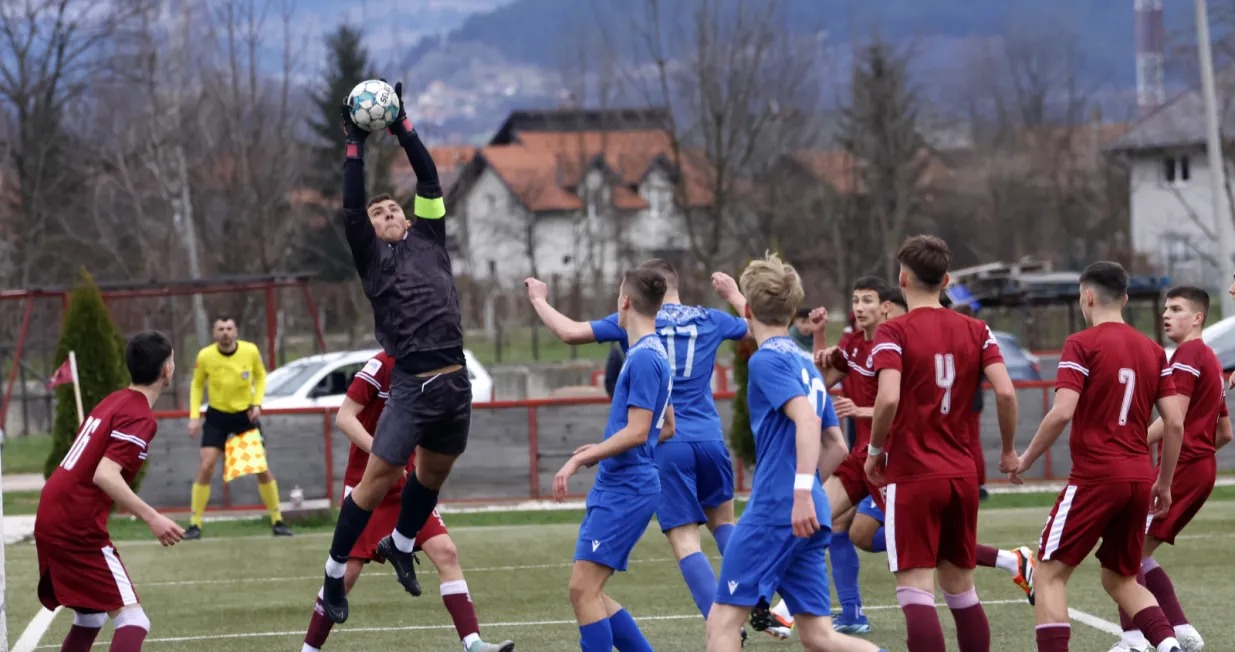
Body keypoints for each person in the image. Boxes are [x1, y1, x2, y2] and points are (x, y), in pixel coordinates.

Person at [526, 260, 749, 639]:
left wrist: (538, 298)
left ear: (627, 300)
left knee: (680, 542)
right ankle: (751, 593)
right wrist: (734, 296)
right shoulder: (706, 319)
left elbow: (568, 332)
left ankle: (720, 622)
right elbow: (762, 326)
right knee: (724, 524)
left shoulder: (642, 342)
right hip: (710, 438)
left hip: (646, 464)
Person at [320, 80, 471, 624]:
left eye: (391, 209)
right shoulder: (371, 258)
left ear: (408, 219)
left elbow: (428, 176)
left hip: (456, 380)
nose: (384, 213)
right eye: (378, 211)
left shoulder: (430, 235)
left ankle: (402, 545)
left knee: (430, 480)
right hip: (412, 381)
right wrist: (354, 143)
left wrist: (403, 124)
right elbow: (350, 202)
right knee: (377, 480)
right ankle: (335, 577)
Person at [705, 252, 886, 652]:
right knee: (819, 636)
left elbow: (805, 421)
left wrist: (798, 491)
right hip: (811, 513)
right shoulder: (804, 364)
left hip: (777, 509)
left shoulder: (767, 361)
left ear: (750, 311)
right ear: (791, 312)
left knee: (722, 623)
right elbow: (836, 445)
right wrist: (808, 494)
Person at [1010, 261, 1186, 652]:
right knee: (1120, 577)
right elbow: (1174, 424)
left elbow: (1062, 411)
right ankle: (1170, 645)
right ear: (1124, 299)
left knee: (1049, 573)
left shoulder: (1081, 343)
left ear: (1087, 296)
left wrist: (1025, 459)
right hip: (1139, 477)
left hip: (1096, 477)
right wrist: (1165, 483)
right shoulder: (1154, 350)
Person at [864, 235, 1020, 652]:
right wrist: (1007, 450)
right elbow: (1006, 393)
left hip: (914, 473)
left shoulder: (892, 331)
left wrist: (875, 452)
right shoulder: (977, 328)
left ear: (902, 279)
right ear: (946, 280)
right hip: (961, 474)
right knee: (961, 591)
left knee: (916, 591)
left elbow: (890, 397)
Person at [302, 351, 514, 652]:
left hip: (407, 484)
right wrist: (385, 453)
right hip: (368, 485)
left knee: (446, 553)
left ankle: (473, 643)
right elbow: (344, 417)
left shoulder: (434, 367)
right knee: (345, 576)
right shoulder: (380, 365)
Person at [758, 276, 900, 638]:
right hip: (859, 458)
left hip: (893, 460)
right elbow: (818, 382)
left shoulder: (898, 342)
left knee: (906, 543)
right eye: (855, 300)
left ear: (885, 306)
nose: (859, 307)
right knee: (822, 519)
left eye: (867, 300)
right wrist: (820, 337)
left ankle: (1010, 560)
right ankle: (816, 612)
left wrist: (863, 410)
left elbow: (905, 406)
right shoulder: (852, 343)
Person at [35, 331, 184, 652]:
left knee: (91, 616)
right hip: (75, 524)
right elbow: (105, 474)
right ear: (166, 370)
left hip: (51, 512)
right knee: (134, 620)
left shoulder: (113, 400)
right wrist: (152, 517)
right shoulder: (140, 416)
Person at [551, 267, 672, 652]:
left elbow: (640, 431)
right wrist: (603, 446)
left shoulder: (643, 359)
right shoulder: (650, 353)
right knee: (592, 592)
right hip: (622, 481)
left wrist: (582, 459)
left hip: (627, 485)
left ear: (625, 301)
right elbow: (664, 426)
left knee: (582, 590)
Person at [1107, 286, 1231, 652]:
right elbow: (1225, 432)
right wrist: (1199, 455)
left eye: (1176, 308)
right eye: (1164, 308)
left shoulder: (1188, 355)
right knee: (1138, 551)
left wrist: (1132, 443)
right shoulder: (1208, 356)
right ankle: (1180, 628)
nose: (1166, 314)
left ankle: (1134, 640)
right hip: (1200, 468)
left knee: (1124, 554)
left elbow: (1172, 419)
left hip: (1185, 468)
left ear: (1198, 318)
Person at [186, 315, 291, 539]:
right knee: (207, 466)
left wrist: (257, 403)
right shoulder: (205, 356)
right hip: (216, 416)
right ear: (214, 333)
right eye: (221, 328)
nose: (225, 332)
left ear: (236, 331)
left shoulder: (250, 351)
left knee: (261, 467)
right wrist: (194, 417)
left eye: (229, 328)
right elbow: (196, 385)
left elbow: (261, 377)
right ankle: (195, 524)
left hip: (244, 416)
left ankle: (277, 520)